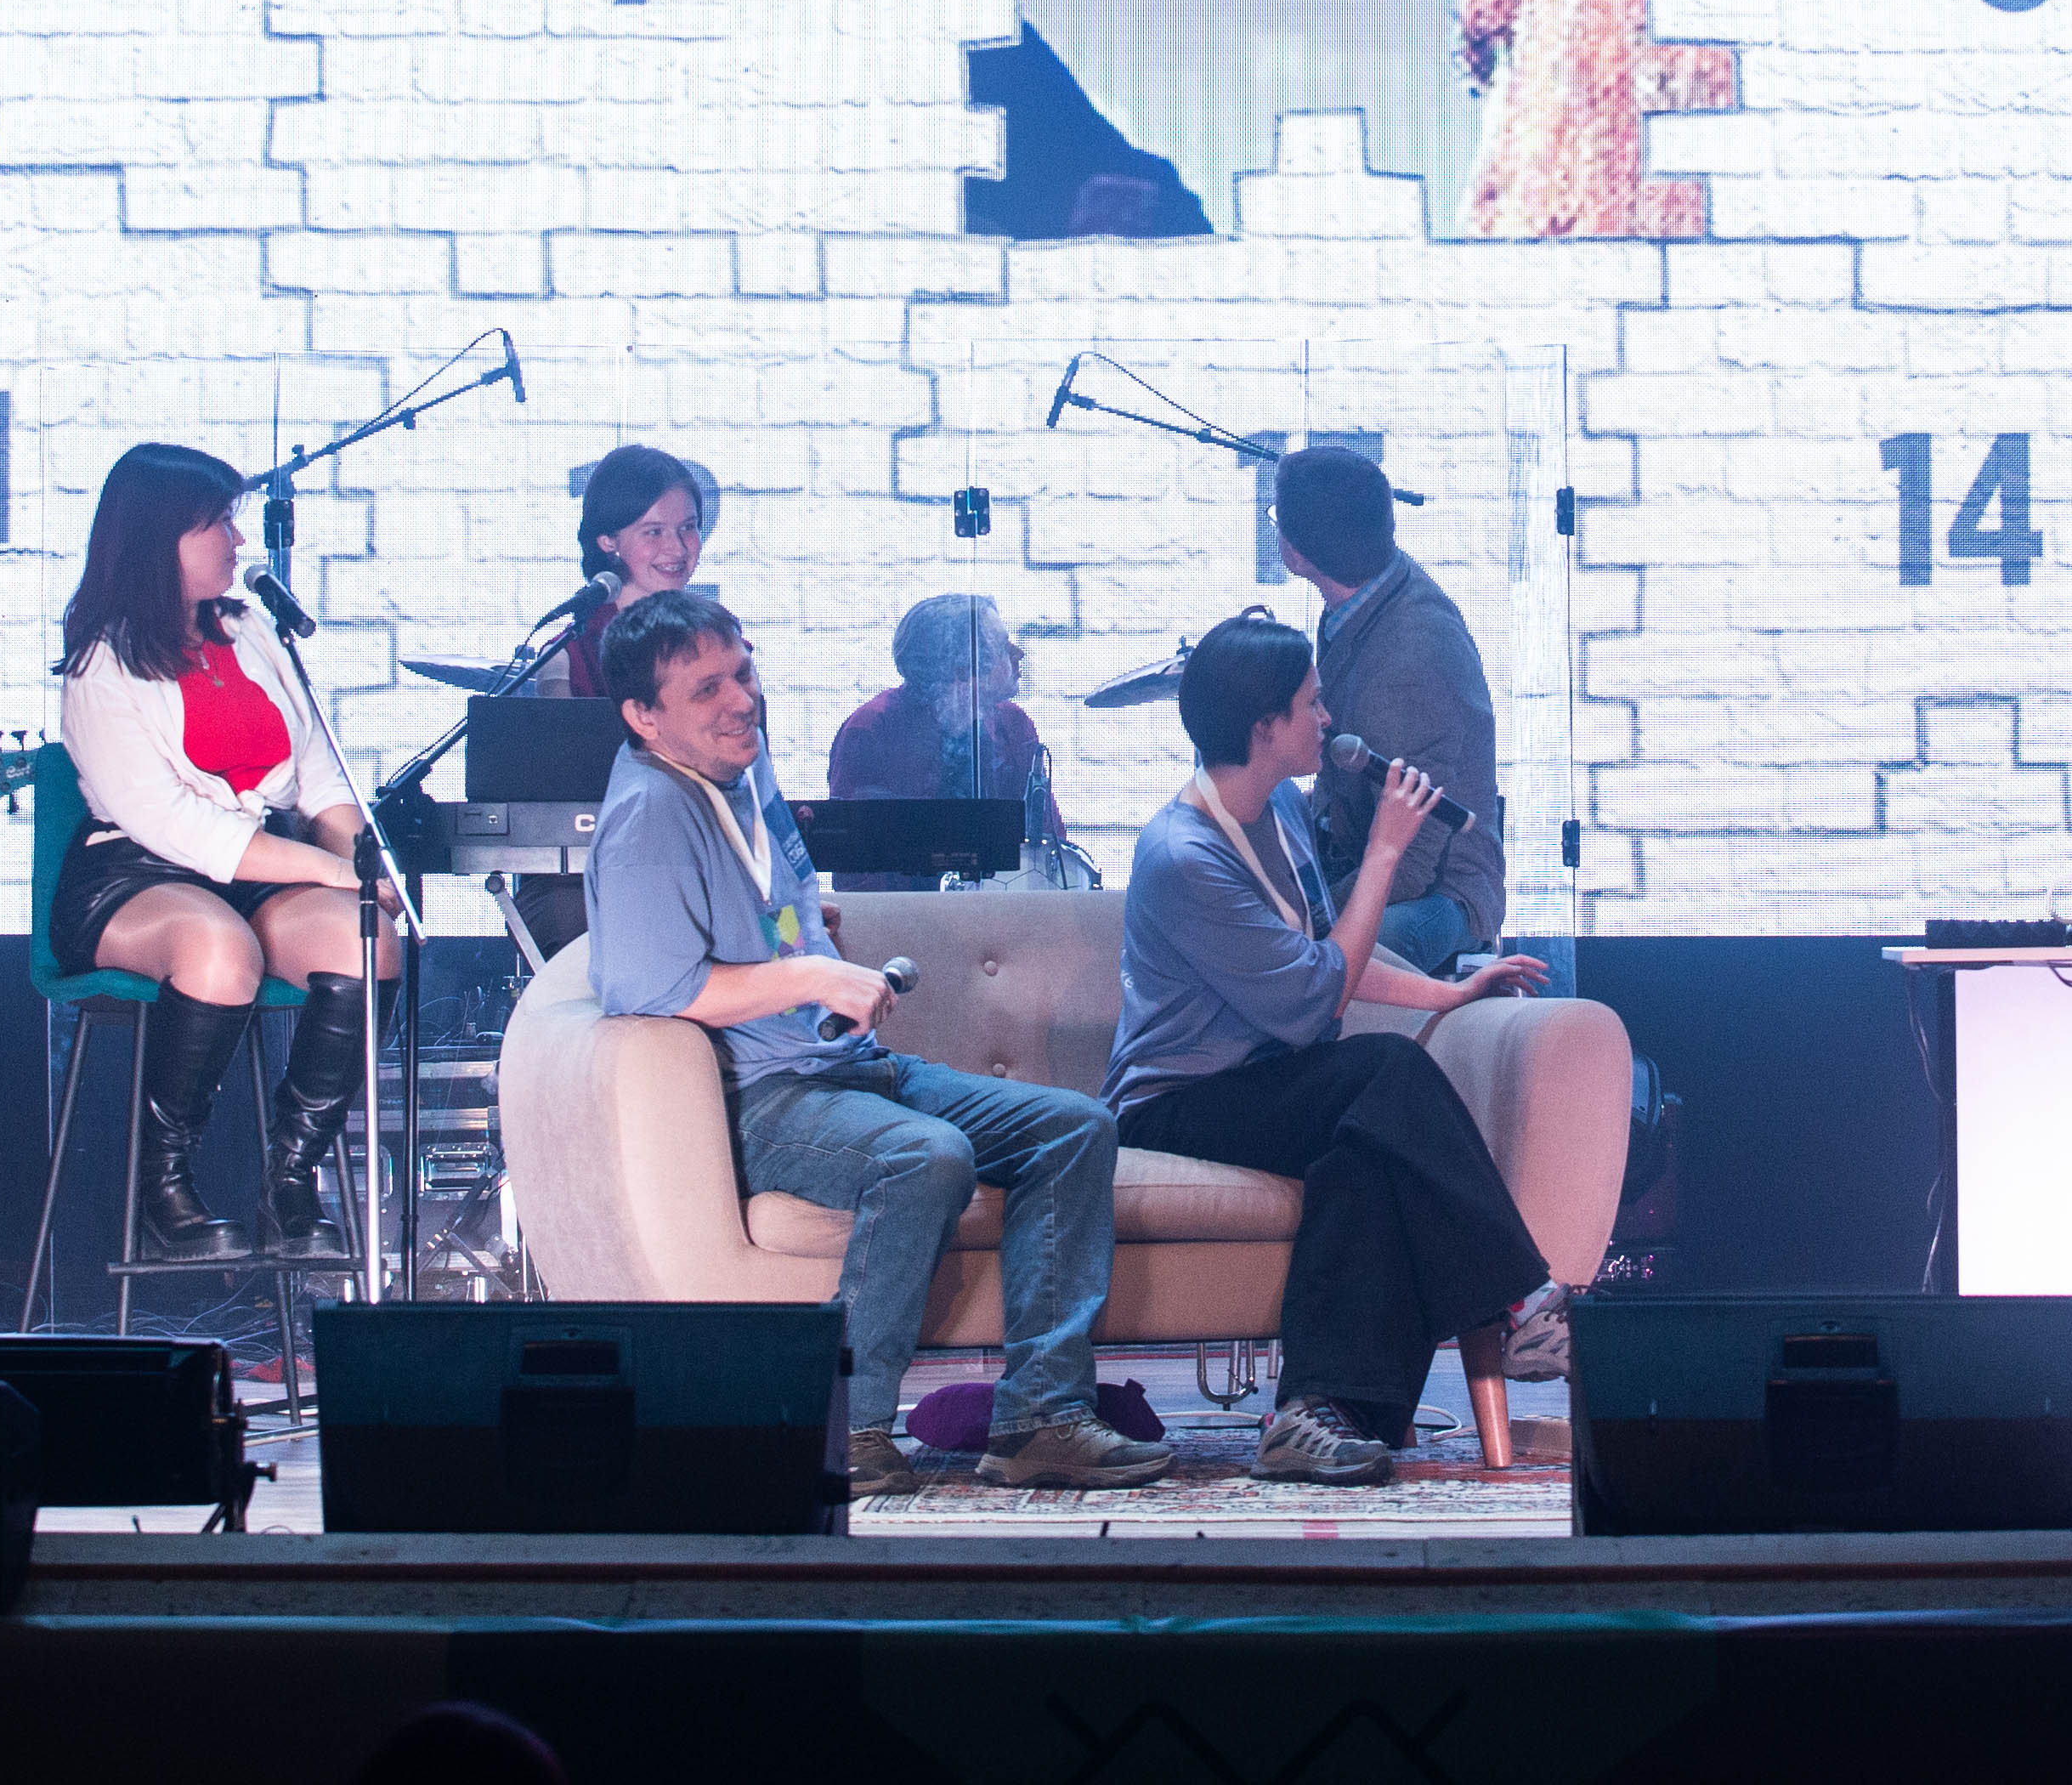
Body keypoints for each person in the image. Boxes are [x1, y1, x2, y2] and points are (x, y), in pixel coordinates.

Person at [579, 586, 1171, 1494]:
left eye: (743, 674)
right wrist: (811, 980)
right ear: (642, 717)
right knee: (924, 1157)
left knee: (1074, 1126)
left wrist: (804, 942)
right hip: (759, 1094)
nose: (741, 700)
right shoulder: (650, 814)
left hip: (837, 1064)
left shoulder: (739, 769)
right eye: (707, 690)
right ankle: (841, 1431)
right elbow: (651, 987)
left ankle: (1042, 1419)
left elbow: (773, 900)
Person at [1108, 610, 1558, 1483]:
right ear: (1263, 726)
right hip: (1174, 1105)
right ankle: (1520, 1296)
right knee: (1383, 1069)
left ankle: (1317, 1415)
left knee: (1363, 1164)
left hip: (1272, 1083)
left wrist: (1447, 992)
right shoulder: (1182, 855)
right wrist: (1385, 852)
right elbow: (1314, 996)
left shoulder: (1279, 808)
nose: (1328, 719)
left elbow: (1323, 951)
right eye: (1311, 704)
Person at [54, 442, 388, 1261]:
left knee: (367, 941)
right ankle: (164, 1186)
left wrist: (364, 864)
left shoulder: (249, 629)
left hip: (259, 866)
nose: (238, 540)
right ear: (159, 538)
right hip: (137, 873)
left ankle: (290, 1183)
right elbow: (175, 824)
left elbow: (317, 777)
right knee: (218, 949)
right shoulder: (101, 660)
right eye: (219, 524)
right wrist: (326, 869)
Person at [1271, 445, 1504, 972]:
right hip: (1362, 848)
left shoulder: (1409, 663)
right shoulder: (1370, 591)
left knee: (1314, 964)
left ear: (1295, 555)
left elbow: (1412, 863)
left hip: (1439, 891)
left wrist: (1304, 921)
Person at [824, 593, 1064, 889]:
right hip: (906, 914)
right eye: (1003, 646)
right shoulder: (873, 728)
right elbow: (858, 864)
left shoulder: (1014, 724)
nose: (1019, 654)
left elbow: (1051, 846)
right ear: (962, 665)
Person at [525, 445, 710, 699]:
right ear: (608, 541)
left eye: (688, 527)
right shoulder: (569, 658)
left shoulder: (721, 642)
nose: (677, 548)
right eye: (654, 532)